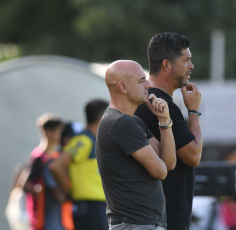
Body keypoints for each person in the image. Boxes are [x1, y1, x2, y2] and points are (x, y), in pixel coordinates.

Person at [96, 60, 176, 230]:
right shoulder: (121, 122)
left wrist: (164, 120)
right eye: (141, 81)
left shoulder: (132, 120)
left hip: (140, 224)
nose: (148, 85)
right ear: (123, 87)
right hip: (135, 224)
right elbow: (160, 171)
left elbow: (168, 163)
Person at [135, 32, 203, 230]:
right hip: (166, 219)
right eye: (186, 60)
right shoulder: (159, 104)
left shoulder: (150, 100)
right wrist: (193, 111)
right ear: (167, 65)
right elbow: (193, 155)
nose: (191, 66)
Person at [50, 99, 109, 230]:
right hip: (90, 207)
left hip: (96, 206)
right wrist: (68, 190)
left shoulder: (92, 139)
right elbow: (56, 166)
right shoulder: (83, 140)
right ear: (102, 117)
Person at [23, 113, 74, 230]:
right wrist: (42, 190)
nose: (61, 135)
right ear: (48, 132)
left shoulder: (58, 156)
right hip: (44, 215)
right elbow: (25, 184)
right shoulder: (39, 157)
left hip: (59, 215)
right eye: (58, 131)